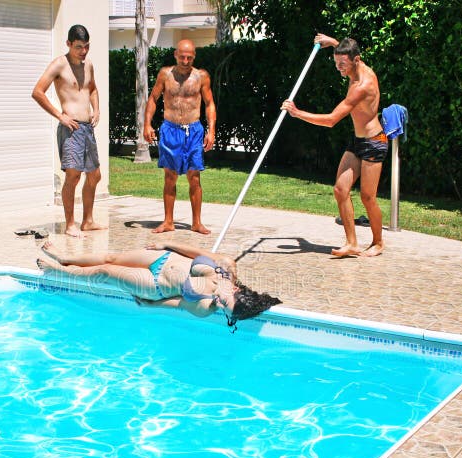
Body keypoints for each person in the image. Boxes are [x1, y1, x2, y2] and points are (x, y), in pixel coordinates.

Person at [281, 34, 387, 257]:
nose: (339, 68)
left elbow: (330, 120)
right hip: (357, 141)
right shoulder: (355, 63)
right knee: (340, 189)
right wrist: (332, 42)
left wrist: (296, 113)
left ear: (356, 61)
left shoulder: (362, 85)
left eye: (343, 64)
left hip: (374, 142)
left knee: (368, 197)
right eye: (336, 63)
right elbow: (347, 49)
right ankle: (352, 244)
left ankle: (378, 242)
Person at [36, 240, 281, 331]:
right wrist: (168, 243)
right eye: (224, 302)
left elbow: (179, 304)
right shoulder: (227, 266)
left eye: (223, 309)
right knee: (111, 257)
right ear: (236, 290)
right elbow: (196, 251)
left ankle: (61, 272)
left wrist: (152, 304)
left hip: (155, 285)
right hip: (163, 259)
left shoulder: (207, 307)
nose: (218, 304)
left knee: (105, 271)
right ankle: (66, 258)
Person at [32, 24, 106, 238]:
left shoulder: (88, 64)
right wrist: (59, 115)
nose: (83, 51)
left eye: (86, 47)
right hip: (71, 127)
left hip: (87, 128)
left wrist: (97, 108)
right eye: (79, 47)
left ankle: (88, 221)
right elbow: (38, 92)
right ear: (69, 44)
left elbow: (92, 88)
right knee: (73, 176)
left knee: (95, 175)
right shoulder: (59, 65)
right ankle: (70, 224)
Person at [144, 39, 217, 235]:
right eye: (182, 56)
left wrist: (211, 130)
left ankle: (197, 222)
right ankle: (168, 221)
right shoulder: (165, 75)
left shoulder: (201, 76)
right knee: (170, 177)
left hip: (193, 131)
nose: (185, 60)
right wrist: (147, 124)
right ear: (175, 54)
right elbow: (153, 98)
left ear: (194, 57)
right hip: (170, 130)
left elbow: (209, 104)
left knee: (194, 177)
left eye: (190, 57)